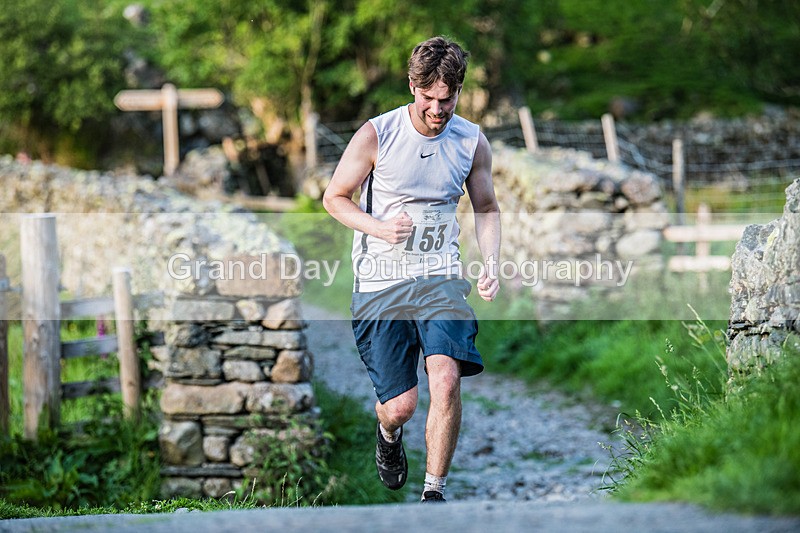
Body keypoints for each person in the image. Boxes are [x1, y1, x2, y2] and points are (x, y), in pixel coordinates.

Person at [322, 35, 501, 503]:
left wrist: (491, 261)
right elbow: (334, 198)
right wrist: (379, 229)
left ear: (459, 91)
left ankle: (433, 494)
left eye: (447, 99)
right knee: (401, 406)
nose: (437, 110)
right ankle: (388, 435)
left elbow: (486, 206)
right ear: (412, 87)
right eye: (428, 99)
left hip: (440, 279)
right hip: (381, 284)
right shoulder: (377, 134)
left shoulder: (471, 140)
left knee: (445, 376)